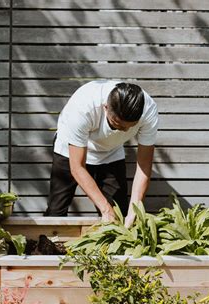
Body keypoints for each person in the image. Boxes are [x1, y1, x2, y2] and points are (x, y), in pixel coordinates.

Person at [45, 80, 158, 228]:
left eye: (129, 127)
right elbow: (77, 167)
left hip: (111, 151)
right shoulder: (83, 107)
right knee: (56, 211)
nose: (124, 131)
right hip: (69, 150)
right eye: (117, 124)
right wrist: (105, 209)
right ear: (106, 107)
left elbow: (144, 166)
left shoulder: (148, 110)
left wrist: (134, 210)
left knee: (118, 215)